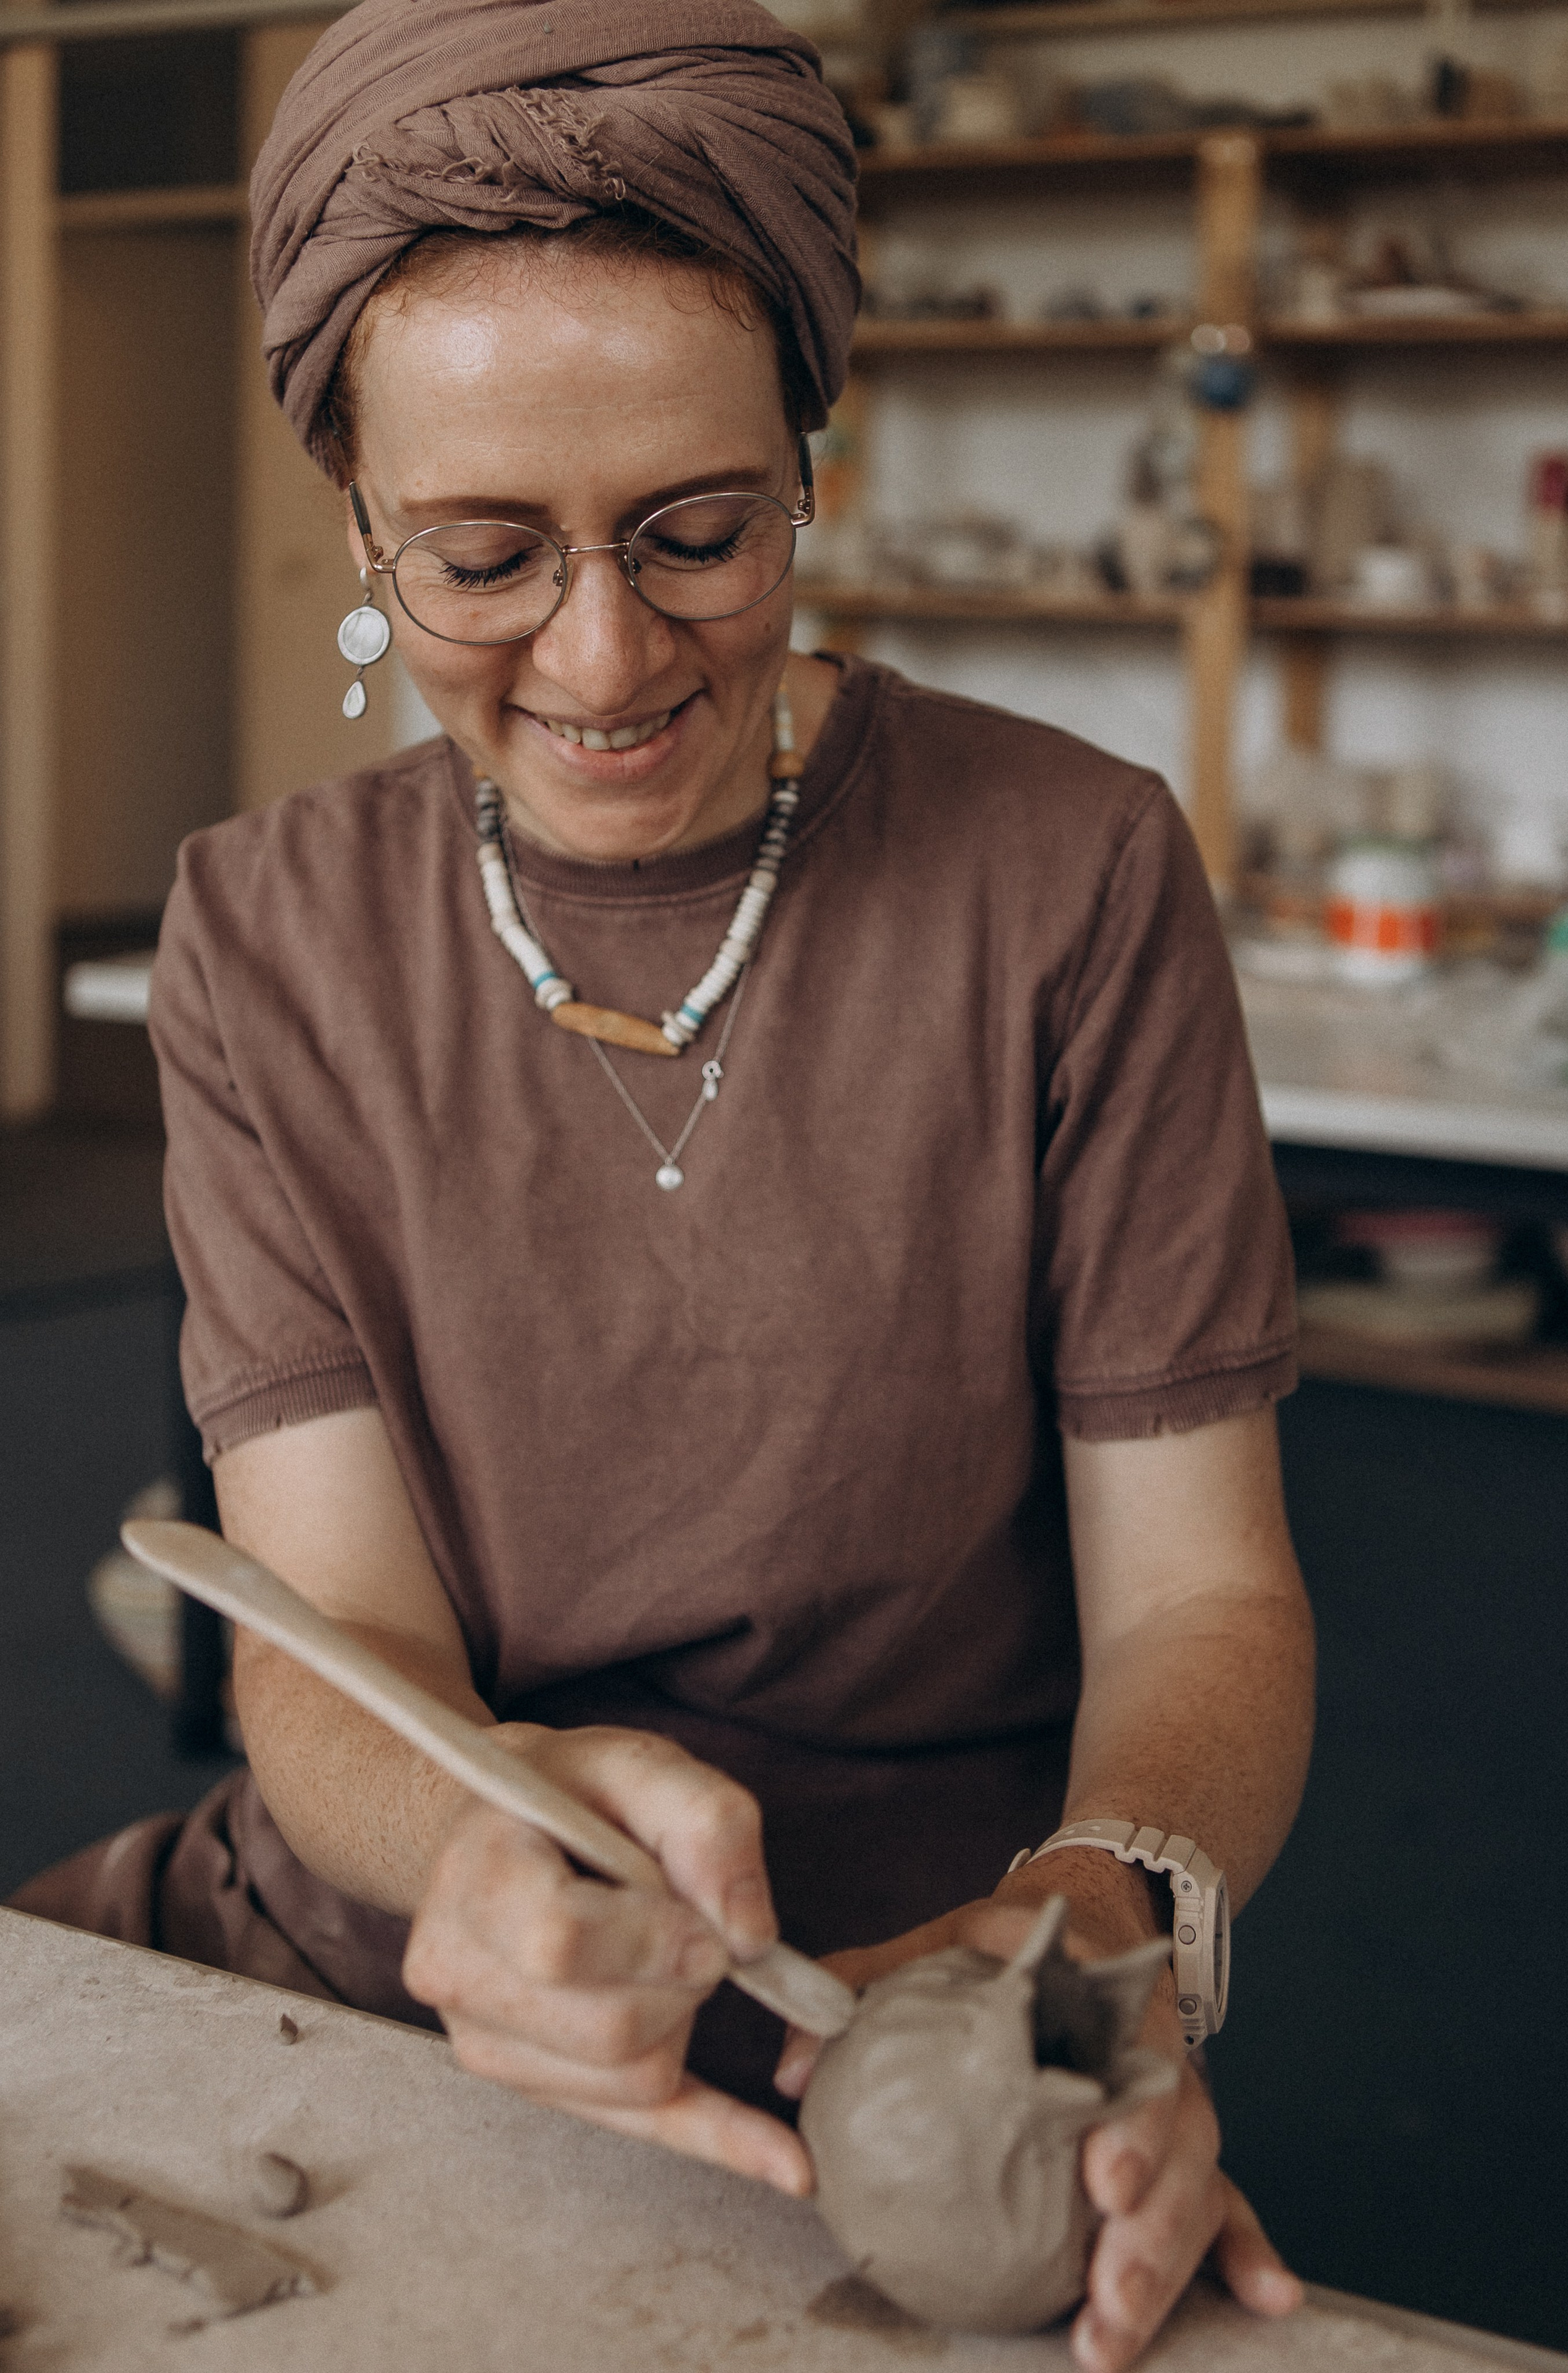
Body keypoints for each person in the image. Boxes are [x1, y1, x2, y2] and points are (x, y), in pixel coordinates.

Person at [14, 5, 1315, 2366]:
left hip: (940, 2004)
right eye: (483, 560)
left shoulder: (1073, 871)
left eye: (699, 535)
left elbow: (1204, 1604)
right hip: (398, 1942)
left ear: (810, 472)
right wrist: (479, 1844)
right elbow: (329, 1650)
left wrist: (1105, 1928)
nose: (605, 659)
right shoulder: (263, 932)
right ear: (357, 525)